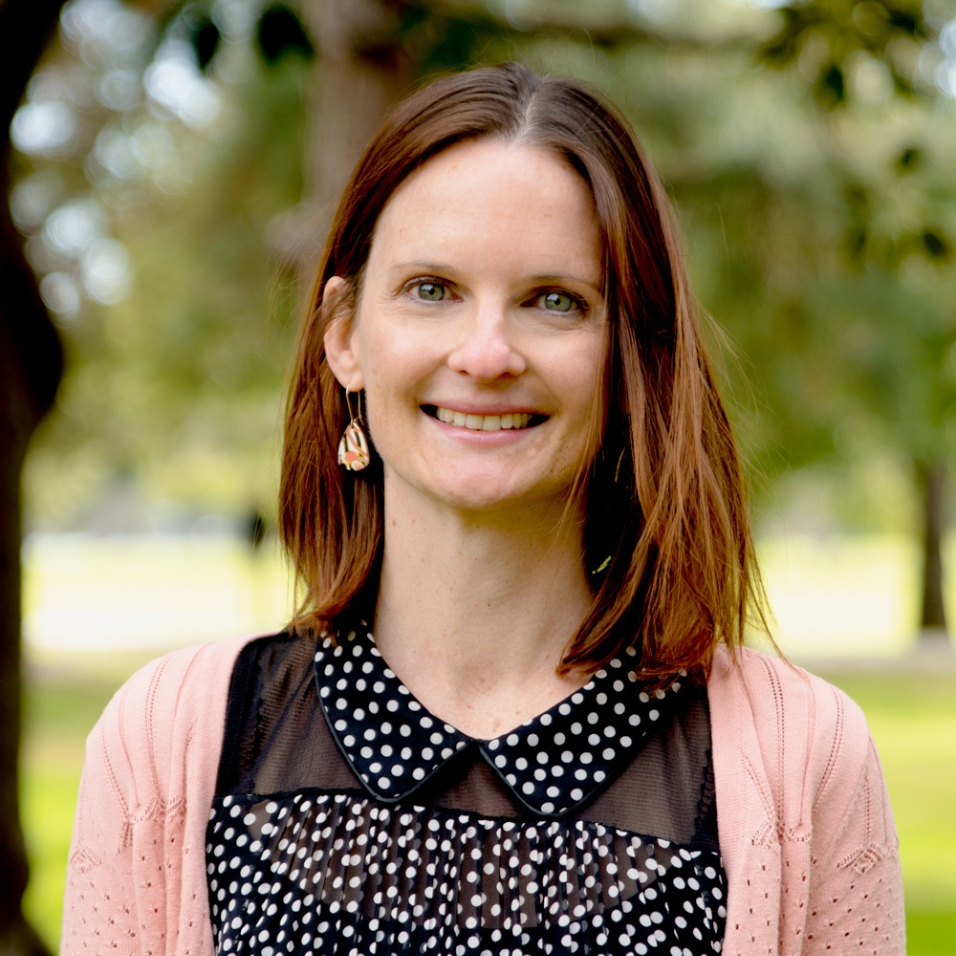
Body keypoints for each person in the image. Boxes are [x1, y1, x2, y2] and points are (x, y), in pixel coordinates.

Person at [61, 63, 904, 955]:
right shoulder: (169, 739)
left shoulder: (802, 758)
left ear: (628, 357)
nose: (488, 353)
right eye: (433, 290)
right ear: (345, 336)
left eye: (553, 301)